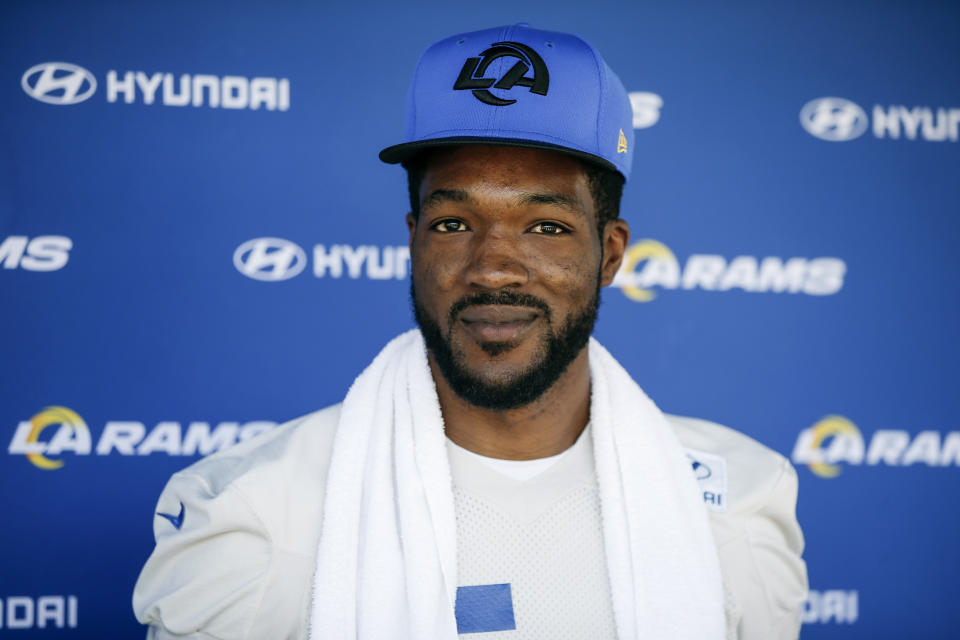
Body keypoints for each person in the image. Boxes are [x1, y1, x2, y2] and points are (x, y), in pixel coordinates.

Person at [133, 24, 807, 640]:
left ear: (610, 254)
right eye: (454, 223)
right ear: (413, 242)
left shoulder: (741, 502)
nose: (492, 269)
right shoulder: (252, 513)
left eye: (546, 227)